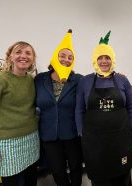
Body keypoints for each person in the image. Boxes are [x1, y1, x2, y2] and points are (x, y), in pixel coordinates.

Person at [75, 31, 132, 186]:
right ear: (95, 60)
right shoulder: (85, 81)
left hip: (120, 138)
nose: (104, 61)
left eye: (107, 57)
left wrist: (130, 128)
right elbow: (79, 109)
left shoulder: (122, 80)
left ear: (112, 60)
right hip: (94, 141)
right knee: (99, 175)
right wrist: (82, 132)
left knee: (122, 174)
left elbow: (130, 106)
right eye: (100, 58)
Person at [34, 29, 83, 186]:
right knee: (57, 169)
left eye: (70, 57)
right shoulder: (39, 79)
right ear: (55, 57)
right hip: (49, 134)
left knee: (76, 167)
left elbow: (97, 85)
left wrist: (117, 77)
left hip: (73, 133)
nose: (66, 59)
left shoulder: (79, 80)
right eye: (62, 55)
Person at [0, 41, 40, 186]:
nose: (23, 56)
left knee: (31, 180)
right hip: (7, 143)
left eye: (28, 53)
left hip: (31, 138)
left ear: (33, 58)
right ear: (10, 56)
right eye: (18, 52)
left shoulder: (31, 80)